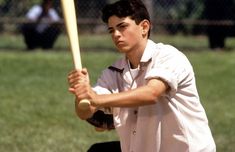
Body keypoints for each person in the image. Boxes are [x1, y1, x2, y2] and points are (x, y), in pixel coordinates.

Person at [68, 0, 216, 151]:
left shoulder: (168, 56)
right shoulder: (113, 72)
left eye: (122, 27)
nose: (116, 35)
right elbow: (85, 112)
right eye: (111, 30)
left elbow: (151, 94)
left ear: (144, 27)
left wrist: (96, 99)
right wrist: (83, 95)